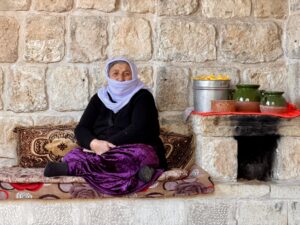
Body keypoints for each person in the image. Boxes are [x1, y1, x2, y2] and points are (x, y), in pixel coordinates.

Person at [44, 56, 167, 196]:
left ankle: (73, 168)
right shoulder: (99, 98)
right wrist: (93, 143)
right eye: (115, 73)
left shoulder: (142, 96)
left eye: (127, 73)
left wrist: (107, 145)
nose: (121, 78)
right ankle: (138, 172)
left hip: (133, 147)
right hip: (100, 149)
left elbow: (138, 129)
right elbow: (81, 128)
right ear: (108, 75)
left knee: (140, 155)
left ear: (133, 75)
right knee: (75, 154)